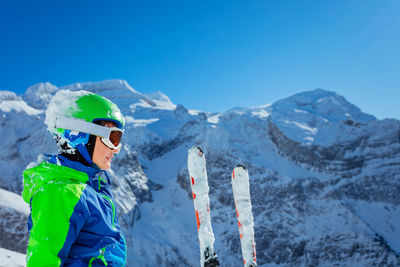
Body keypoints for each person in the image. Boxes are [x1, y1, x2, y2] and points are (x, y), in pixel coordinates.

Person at [22, 90, 127, 266]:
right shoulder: (60, 192)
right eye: (112, 137)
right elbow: (43, 259)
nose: (116, 149)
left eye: (118, 138)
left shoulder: (92, 184)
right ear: (78, 135)